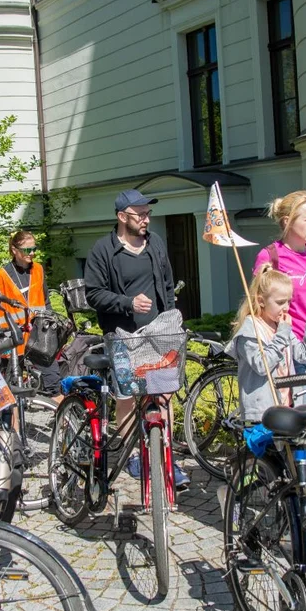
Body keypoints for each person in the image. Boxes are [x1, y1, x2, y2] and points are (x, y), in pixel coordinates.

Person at [84, 188, 187, 489]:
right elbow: (94, 293)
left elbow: (167, 285)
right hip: (123, 335)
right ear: (121, 217)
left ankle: (166, 456)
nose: (145, 219)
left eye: (147, 214)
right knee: (127, 396)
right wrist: (127, 303)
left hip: (159, 334)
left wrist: (172, 318)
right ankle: (131, 455)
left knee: (163, 394)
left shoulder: (155, 244)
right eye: (139, 215)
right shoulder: (103, 250)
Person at [252, 190, 306, 538]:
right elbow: (259, 303)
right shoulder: (270, 256)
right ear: (288, 221)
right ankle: (295, 503)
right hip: (285, 354)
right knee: (294, 434)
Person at [226, 265, 306, 419]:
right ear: (261, 301)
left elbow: (303, 356)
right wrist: (282, 334)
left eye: (289, 302)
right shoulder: (250, 330)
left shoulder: (280, 327)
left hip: (286, 407)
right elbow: (262, 366)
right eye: (280, 302)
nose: (286, 308)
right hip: (261, 413)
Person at [0, 231, 61, 400]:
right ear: (14, 250)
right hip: (13, 339)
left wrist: (51, 325)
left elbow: (46, 301)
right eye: (27, 250)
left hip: (39, 337)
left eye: (34, 249)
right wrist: (0, 332)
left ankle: (65, 423)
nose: (32, 253)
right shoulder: (1, 276)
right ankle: (12, 425)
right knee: (9, 387)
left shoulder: (39, 270)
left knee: (53, 382)